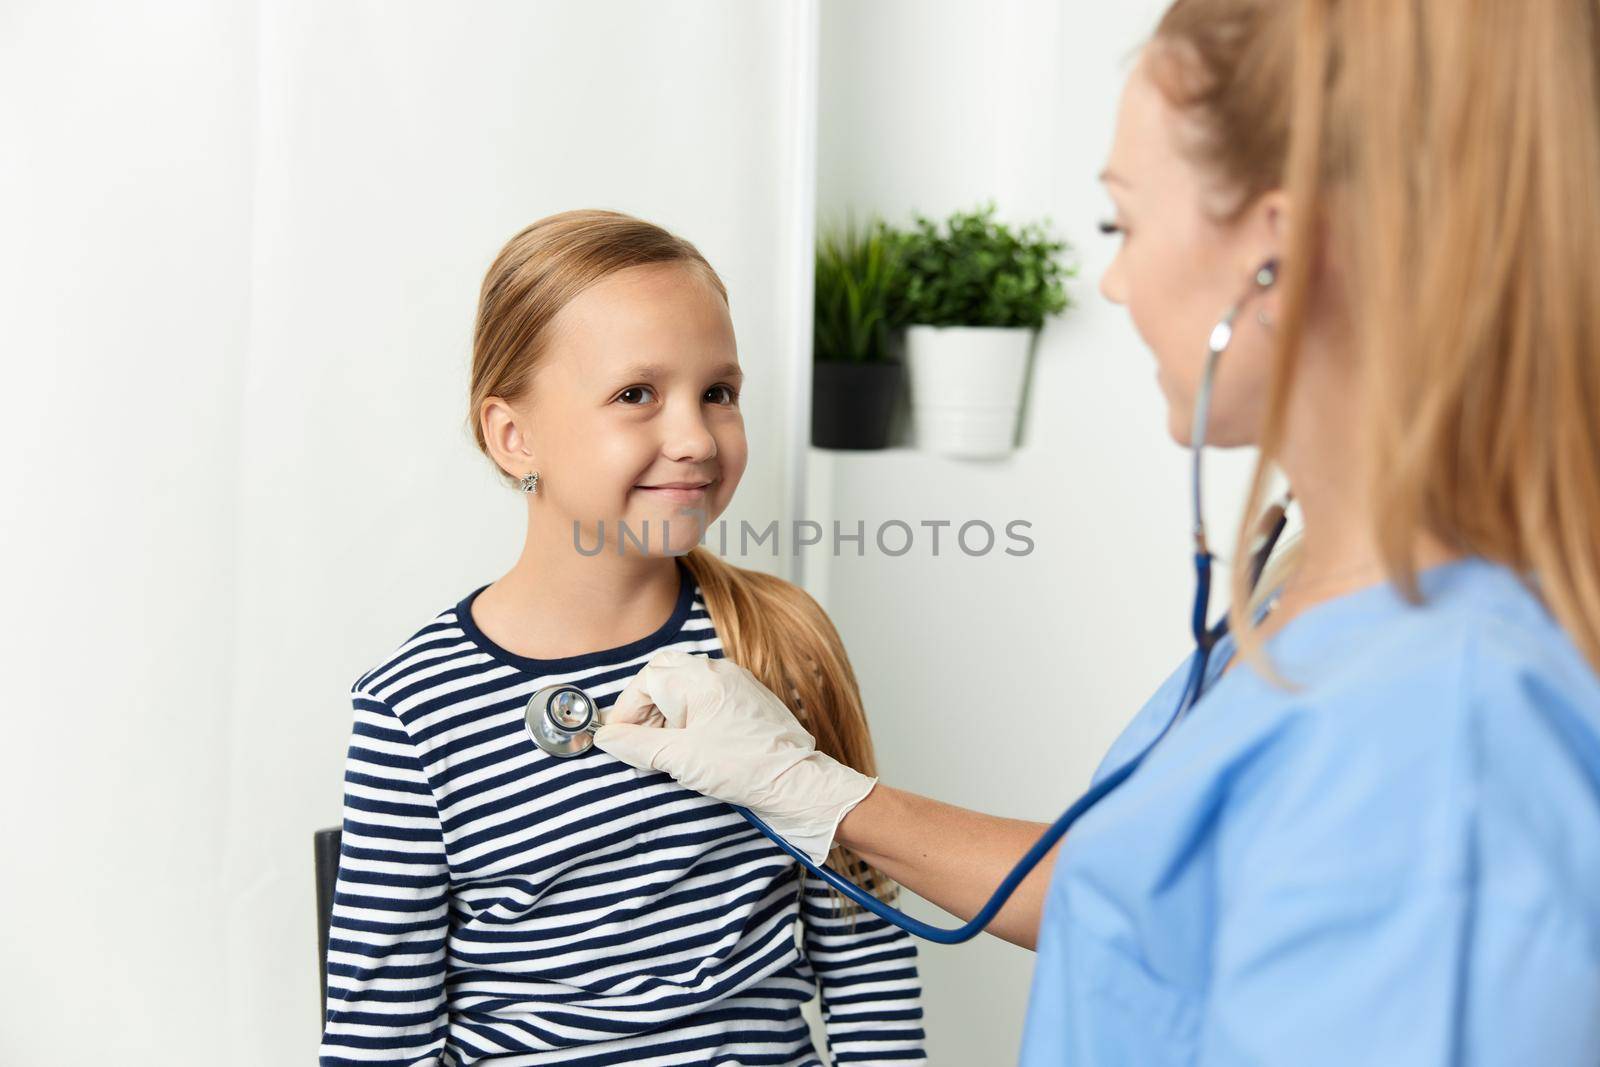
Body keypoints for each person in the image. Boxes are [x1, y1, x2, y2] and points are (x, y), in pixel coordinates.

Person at [593, 0, 1600, 1062]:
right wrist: (816, 791)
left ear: (1281, 254)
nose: (1111, 282)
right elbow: (1146, 903)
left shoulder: (1448, 717)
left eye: (1120, 223)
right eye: (630, 394)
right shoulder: (1320, 604)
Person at [318, 210, 925, 1066]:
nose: (694, 438)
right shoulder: (413, 706)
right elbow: (380, 1039)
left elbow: (865, 948)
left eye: (718, 392)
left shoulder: (777, 639)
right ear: (513, 435)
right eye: (635, 394)